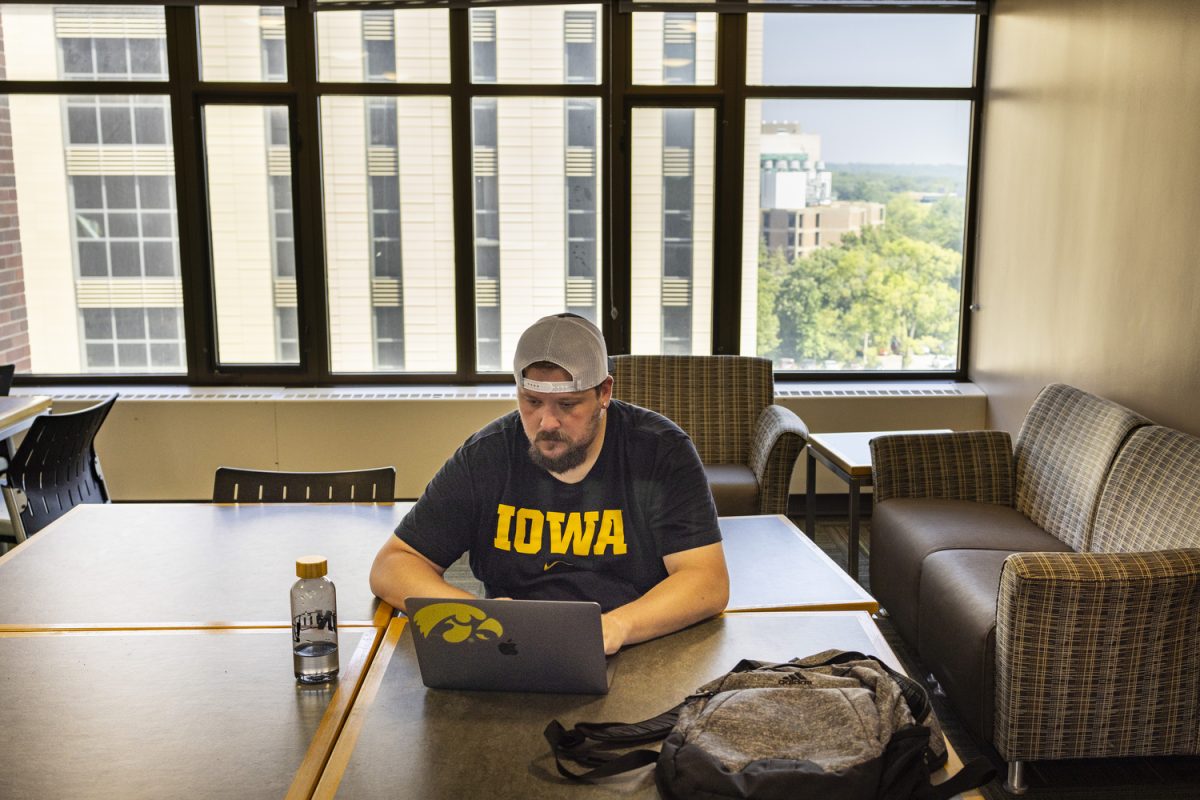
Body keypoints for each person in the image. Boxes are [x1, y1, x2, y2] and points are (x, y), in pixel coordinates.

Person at [370, 313, 729, 655]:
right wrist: (479, 616)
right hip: (511, 648)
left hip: (638, 642)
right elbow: (394, 564)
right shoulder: (486, 456)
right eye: (533, 401)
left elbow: (706, 580)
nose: (547, 422)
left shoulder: (660, 451)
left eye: (568, 404)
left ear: (604, 393)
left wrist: (616, 627)